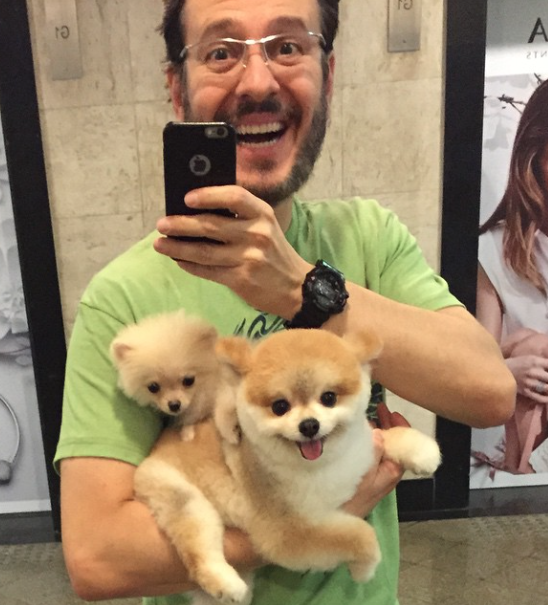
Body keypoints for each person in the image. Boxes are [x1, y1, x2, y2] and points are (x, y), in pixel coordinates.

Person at [55, 0, 515, 603]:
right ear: (177, 88)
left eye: (287, 47)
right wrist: (310, 521)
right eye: (221, 53)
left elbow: (490, 392)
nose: (258, 81)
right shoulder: (125, 295)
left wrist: (302, 287)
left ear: (328, 74)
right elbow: (98, 558)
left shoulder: (368, 237)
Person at [475, 78, 548, 475]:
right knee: (528, 350)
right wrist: (509, 373)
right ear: (534, 156)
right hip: (523, 446)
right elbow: (477, 365)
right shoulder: (493, 251)